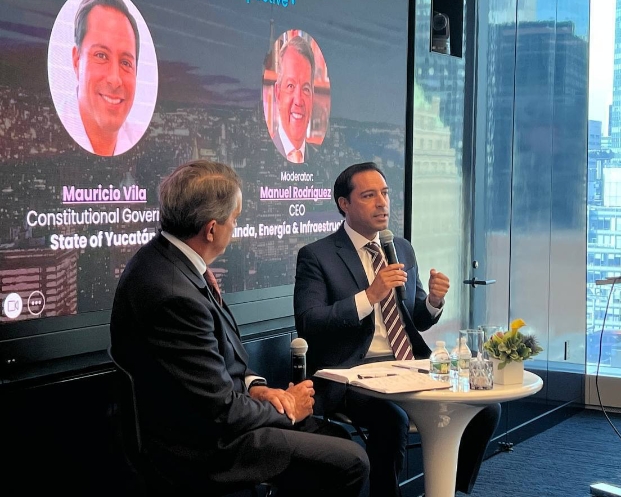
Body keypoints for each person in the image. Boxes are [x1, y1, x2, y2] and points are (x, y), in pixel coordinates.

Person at [110, 160, 369, 496]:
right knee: (350, 461)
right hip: (203, 449)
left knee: (334, 438)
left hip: (211, 421)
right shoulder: (175, 294)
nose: (235, 227)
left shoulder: (169, 260)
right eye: (235, 219)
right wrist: (287, 408)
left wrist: (256, 387)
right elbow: (220, 412)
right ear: (211, 229)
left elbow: (218, 368)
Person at [294, 162, 501, 497]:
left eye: (385, 193)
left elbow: (416, 318)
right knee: (392, 419)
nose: (382, 203)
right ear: (344, 204)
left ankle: (449, 489)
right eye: (369, 195)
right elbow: (310, 323)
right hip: (353, 373)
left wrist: (433, 301)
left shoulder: (400, 247)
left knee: (485, 407)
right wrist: (369, 296)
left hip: (408, 364)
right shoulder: (317, 256)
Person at [70, 0, 141, 156]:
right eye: (101, 56)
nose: (115, 80)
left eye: (126, 63)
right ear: (77, 61)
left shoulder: (139, 140)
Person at [273, 35, 315, 164]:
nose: (298, 100)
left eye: (306, 89)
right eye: (290, 86)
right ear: (278, 94)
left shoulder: (318, 159)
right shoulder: (261, 154)